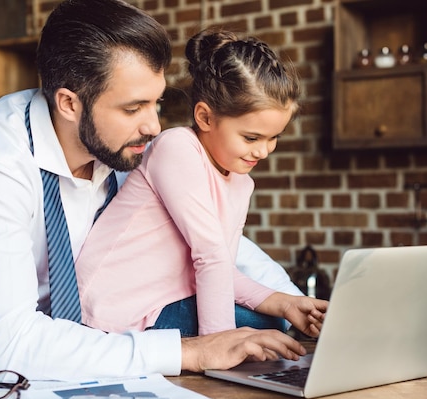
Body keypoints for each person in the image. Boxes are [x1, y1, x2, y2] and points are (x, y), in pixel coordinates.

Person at [0, 0, 323, 381]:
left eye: (155, 103)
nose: (154, 126)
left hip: (66, 336)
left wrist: (294, 303)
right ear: (69, 103)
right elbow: (14, 344)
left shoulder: (119, 144)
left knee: (261, 326)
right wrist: (191, 350)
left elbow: (214, 240)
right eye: (134, 108)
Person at [76, 29, 328, 337]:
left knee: (272, 321)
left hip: (162, 305)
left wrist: (282, 303)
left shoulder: (240, 182)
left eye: (273, 138)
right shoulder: (177, 148)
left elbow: (221, 268)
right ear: (205, 118)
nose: (263, 151)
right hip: (111, 311)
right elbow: (210, 257)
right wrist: (219, 346)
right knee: (262, 328)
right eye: (251, 137)